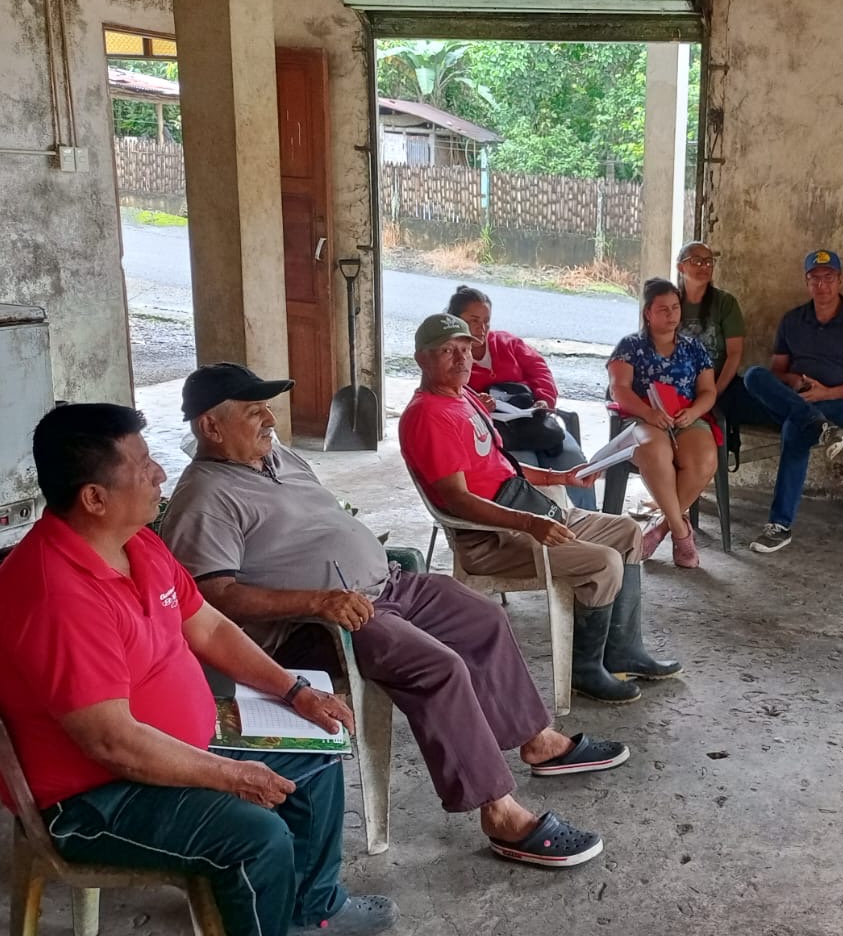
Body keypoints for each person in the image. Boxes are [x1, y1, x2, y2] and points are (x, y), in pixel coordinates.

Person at [0, 403, 397, 936]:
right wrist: (232, 776)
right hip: (94, 795)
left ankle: (311, 906)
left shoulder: (137, 542)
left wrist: (293, 691)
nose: (161, 474)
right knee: (256, 833)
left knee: (316, 748)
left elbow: (209, 626)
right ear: (94, 497)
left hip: (171, 748)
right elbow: (112, 743)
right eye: (143, 466)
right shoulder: (56, 596)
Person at [160, 363, 623, 870]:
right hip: (319, 623)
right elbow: (214, 597)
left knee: (482, 618)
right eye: (254, 412)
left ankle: (538, 742)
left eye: (267, 407)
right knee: (436, 666)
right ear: (211, 426)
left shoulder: (276, 456)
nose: (270, 419)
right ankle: (500, 813)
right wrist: (316, 601)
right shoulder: (204, 498)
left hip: (384, 587)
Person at [398, 314, 682, 705]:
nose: (462, 359)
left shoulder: (463, 397)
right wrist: (530, 523)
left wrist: (560, 477)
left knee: (628, 532)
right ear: (421, 359)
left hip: (523, 507)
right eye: (448, 351)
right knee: (604, 563)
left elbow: (503, 467)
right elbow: (459, 500)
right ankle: (584, 671)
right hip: (491, 539)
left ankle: (622, 651)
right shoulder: (428, 415)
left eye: (465, 349)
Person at [732, 248, 843, 554]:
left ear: (840, 280)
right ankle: (819, 425)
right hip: (795, 397)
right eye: (815, 278)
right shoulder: (793, 320)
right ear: (807, 281)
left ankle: (779, 526)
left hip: (837, 402)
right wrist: (797, 382)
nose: (822, 285)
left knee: (794, 429)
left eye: (829, 277)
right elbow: (778, 372)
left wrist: (825, 393)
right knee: (754, 375)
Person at [448, 285, 596, 511]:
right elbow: (450, 401)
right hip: (498, 433)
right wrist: (478, 406)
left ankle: (587, 517)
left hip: (535, 422)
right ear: (456, 320)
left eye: (486, 321)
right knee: (525, 467)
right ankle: (545, 522)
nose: (481, 328)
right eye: (474, 321)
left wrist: (544, 399)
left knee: (572, 458)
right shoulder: (450, 358)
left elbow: (539, 370)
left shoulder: (506, 343)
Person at [608, 279, 720, 568]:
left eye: (675, 307)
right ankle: (681, 533)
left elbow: (708, 391)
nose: (672, 315)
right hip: (643, 418)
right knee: (655, 451)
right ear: (648, 313)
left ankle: (660, 528)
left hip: (684, 418)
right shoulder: (630, 346)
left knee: (705, 459)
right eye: (663, 309)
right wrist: (648, 413)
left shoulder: (694, 348)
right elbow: (619, 389)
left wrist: (693, 412)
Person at [674, 240, 746, 424]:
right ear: (681, 267)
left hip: (717, 384)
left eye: (709, 261)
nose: (704, 266)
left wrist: (714, 392)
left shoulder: (725, 303)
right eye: (697, 261)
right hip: (676, 382)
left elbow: (735, 353)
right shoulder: (671, 302)